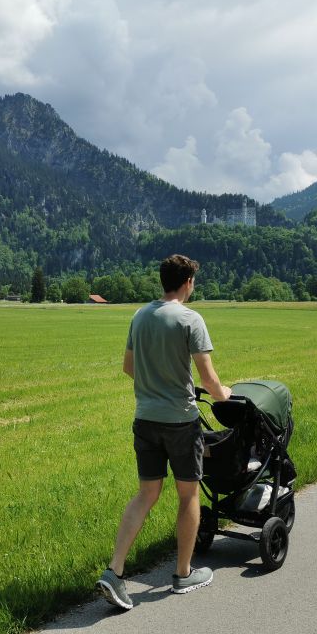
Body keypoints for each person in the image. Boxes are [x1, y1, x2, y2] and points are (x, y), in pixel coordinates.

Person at [97, 254, 231, 610]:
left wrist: (155, 387)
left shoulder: (140, 316)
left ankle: (114, 571)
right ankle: (184, 573)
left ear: (163, 281)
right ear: (187, 282)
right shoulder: (190, 319)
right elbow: (208, 379)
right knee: (188, 495)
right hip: (180, 423)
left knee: (146, 494)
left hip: (145, 419)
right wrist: (225, 396)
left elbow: (129, 367)